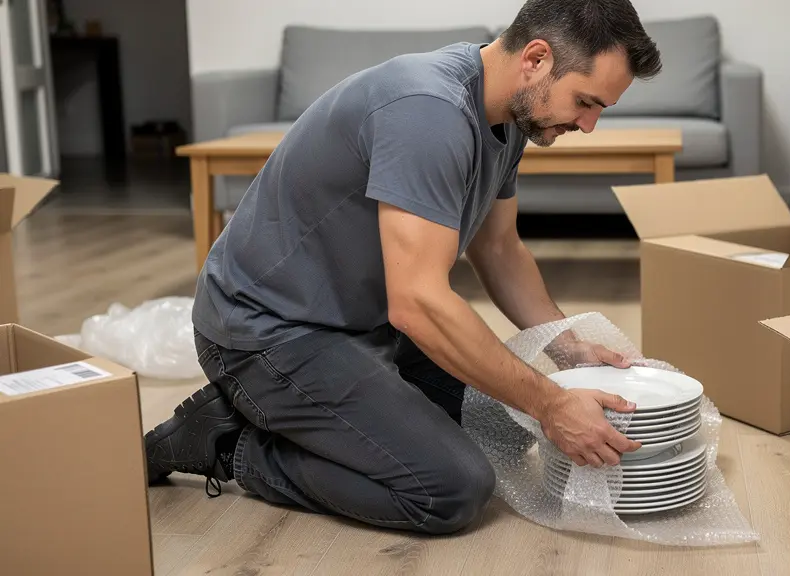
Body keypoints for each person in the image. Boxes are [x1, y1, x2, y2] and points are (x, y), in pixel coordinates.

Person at [144, 0, 662, 535]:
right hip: (268, 331)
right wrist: (552, 403)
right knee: (452, 488)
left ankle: (298, 416)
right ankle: (229, 444)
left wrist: (568, 347)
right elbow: (416, 303)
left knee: (508, 426)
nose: (589, 125)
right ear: (535, 59)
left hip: (360, 322)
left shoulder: (508, 116)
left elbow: (500, 249)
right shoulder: (429, 112)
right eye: (585, 102)